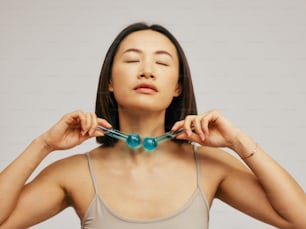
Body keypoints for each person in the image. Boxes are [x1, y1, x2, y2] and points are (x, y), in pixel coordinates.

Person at [0, 22, 305, 229]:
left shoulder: (210, 166)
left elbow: (299, 219)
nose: (147, 71)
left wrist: (238, 140)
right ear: (109, 82)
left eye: (162, 63)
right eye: (132, 61)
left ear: (177, 88)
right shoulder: (74, 173)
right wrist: (43, 145)